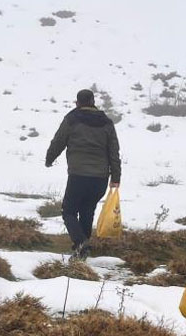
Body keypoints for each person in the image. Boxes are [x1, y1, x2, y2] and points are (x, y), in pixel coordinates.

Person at [46, 89, 121, 260]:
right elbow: (114, 152)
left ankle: (81, 243)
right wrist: (115, 177)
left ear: (77, 102)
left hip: (78, 175)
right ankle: (82, 251)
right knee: (87, 211)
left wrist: (49, 159)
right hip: (100, 178)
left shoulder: (72, 119)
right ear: (93, 101)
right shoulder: (106, 122)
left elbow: (59, 141)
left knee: (69, 211)